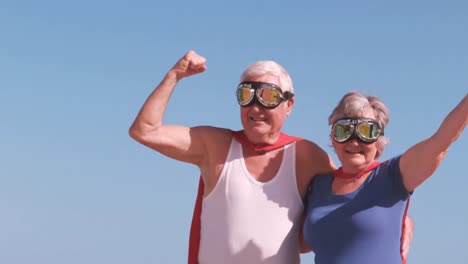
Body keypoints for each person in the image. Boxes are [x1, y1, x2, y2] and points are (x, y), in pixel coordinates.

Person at [129, 50, 413, 264]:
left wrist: (401, 221)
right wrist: (174, 75)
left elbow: (352, 189)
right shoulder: (215, 145)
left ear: (289, 104)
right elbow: (145, 130)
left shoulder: (305, 155)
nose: (255, 106)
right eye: (246, 95)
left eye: (267, 96)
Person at [303, 92, 467, 264]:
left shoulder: (392, 176)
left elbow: (441, 141)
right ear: (333, 138)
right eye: (344, 130)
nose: (354, 141)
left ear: (379, 139)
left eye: (366, 131)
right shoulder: (317, 186)